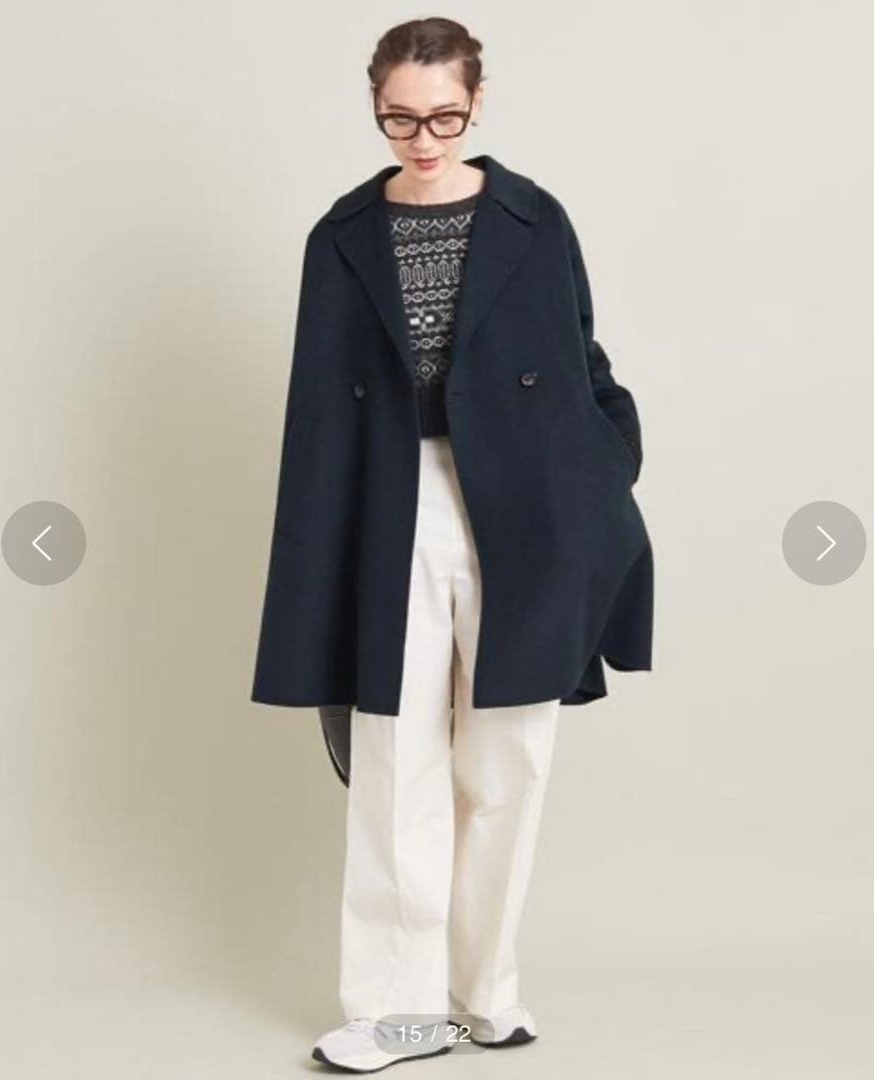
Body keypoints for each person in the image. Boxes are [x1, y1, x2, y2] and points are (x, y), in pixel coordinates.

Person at [251, 16, 654, 1074]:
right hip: (393, 502)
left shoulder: (533, 218)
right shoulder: (343, 235)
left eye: (442, 117)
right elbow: (315, 413)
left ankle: (486, 995)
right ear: (374, 107)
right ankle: (398, 1014)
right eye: (399, 119)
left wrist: (606, 466)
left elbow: (580, 354)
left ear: (478, 102)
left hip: (524, 506)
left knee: (508, 760)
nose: (422, 140)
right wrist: (322, 545)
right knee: (395, 759)